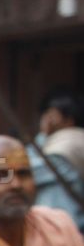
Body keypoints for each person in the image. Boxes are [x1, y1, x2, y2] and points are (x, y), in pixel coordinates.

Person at [30, 87, 84, 231]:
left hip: (61, 229)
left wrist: (42, 135)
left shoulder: (66, 147)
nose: (46, 120)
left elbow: (20, 169)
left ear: (69, 119)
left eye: (52, 115)